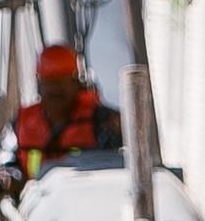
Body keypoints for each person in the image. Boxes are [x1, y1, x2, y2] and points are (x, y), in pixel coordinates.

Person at [7, 41, 122, 180]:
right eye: (49, 82)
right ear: (39, 85)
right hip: (38, 199)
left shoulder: (102, 120)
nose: (55, 90)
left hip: (87, 196)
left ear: (76, 83)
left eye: (61, 82)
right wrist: (7, 178)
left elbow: (114, 164)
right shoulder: (20, 124)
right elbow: (9, 162)